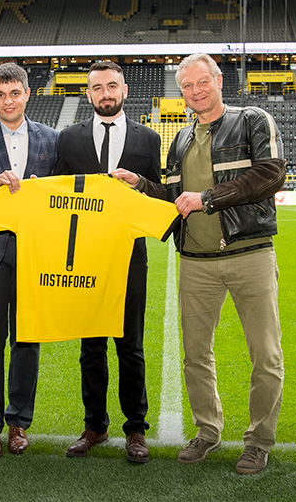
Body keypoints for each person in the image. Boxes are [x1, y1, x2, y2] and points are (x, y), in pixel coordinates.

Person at [114, 53, 285, 474]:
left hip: (249, 253)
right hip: (195, 260)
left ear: (218, 79)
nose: (194, 92)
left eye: (201, 82)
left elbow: (271, 174)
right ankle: (208, 432)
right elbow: (174, 200)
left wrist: (208, 198)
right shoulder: (181, 140)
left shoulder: (252, 120)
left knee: (265, 354)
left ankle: (258, 442)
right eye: (186, 86)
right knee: (196, 355)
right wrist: (142, 185)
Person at [54, 61, 162, 463]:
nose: (105, 93)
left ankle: (136, 429)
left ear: (125, 90)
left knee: (130, 345)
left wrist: (138, 189)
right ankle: (94, 426)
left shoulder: (148, 139)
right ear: (88, 93)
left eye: (111, 85)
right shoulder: (69, 139)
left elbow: (158, 193)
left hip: (130, 255)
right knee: (91, 345)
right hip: (84, 257)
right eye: (97, 87)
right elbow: (56, 195)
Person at [0, 63, 58, 459]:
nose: (8, 101)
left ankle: (19, 421)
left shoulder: (51, 138)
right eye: (0, 95)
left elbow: (61, 192)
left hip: (35, 252)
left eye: (15, 93)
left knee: (27, 337)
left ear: (27, 94)